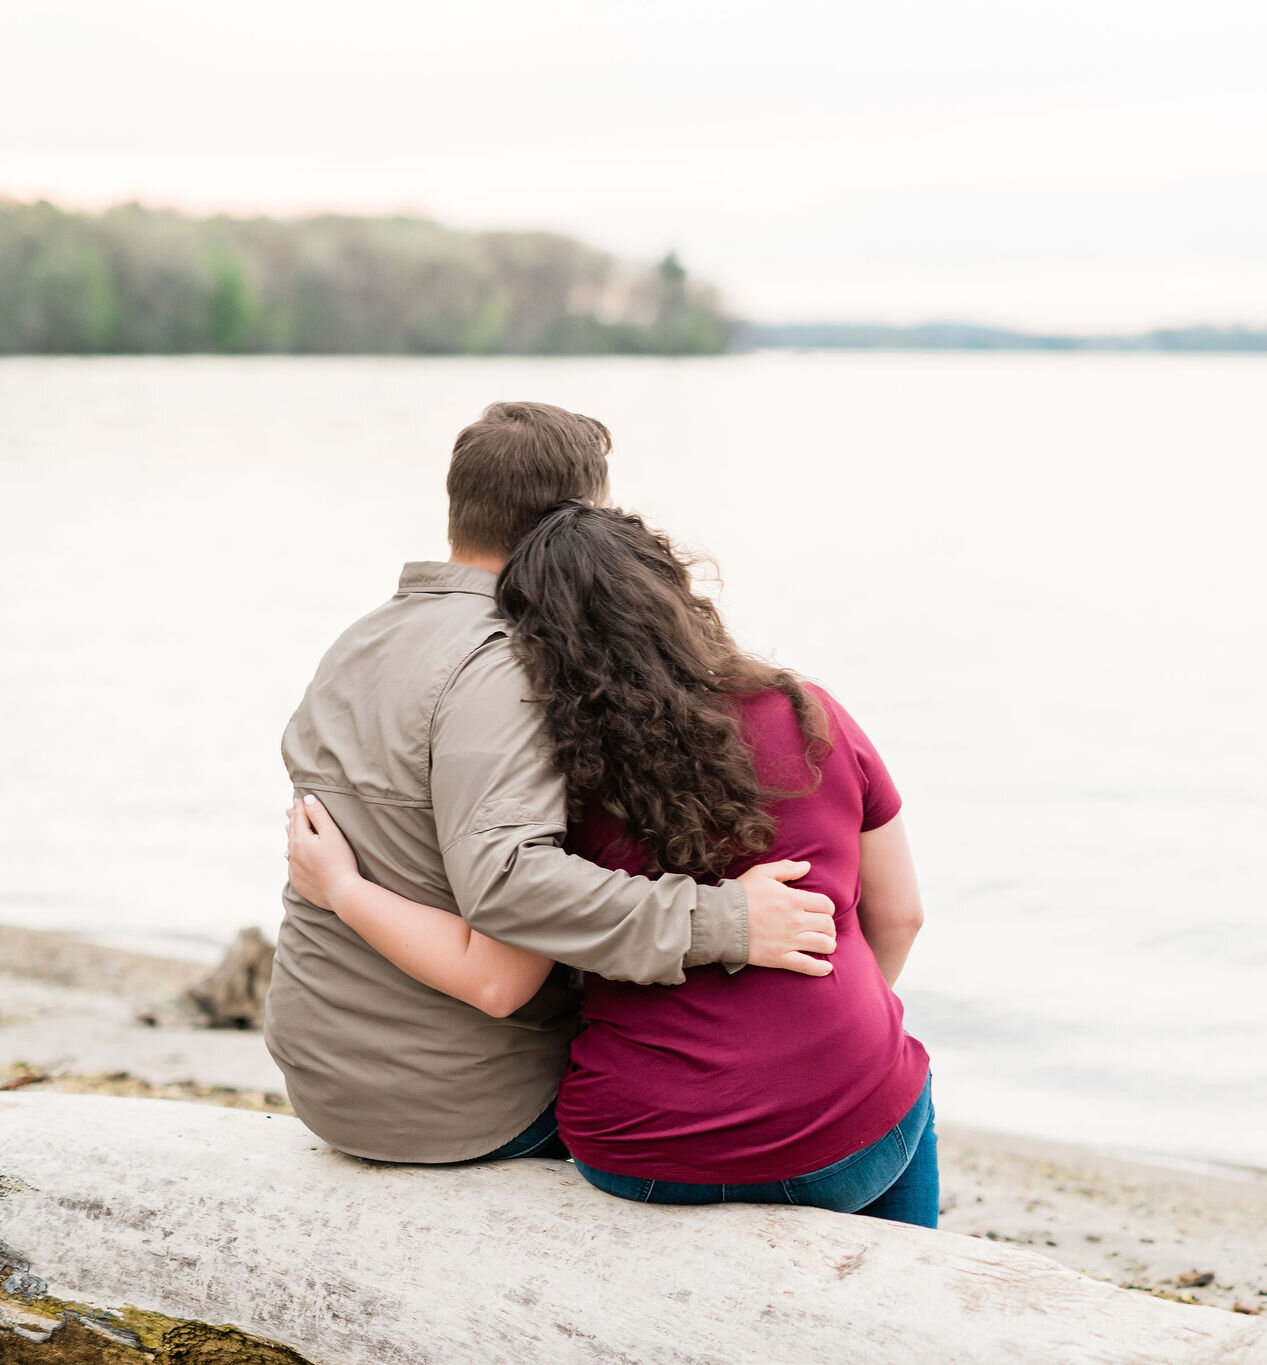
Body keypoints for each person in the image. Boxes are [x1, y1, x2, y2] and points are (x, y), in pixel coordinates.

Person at [285, 503, 937, 1224]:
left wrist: (344, 886)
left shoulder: (569, 781)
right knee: (898, 1097)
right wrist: (832, 1029)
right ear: (677, 593)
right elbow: (901, 915)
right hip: (855, 1127)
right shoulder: (810, 712)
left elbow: (504, 963)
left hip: (641, 1149)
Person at [267, 402, 839, 1166]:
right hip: (461, 1104)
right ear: (572, 525)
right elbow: (509, 884)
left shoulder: (360, 638)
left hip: (323, 1075)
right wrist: (724, 919)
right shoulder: (506, 667)